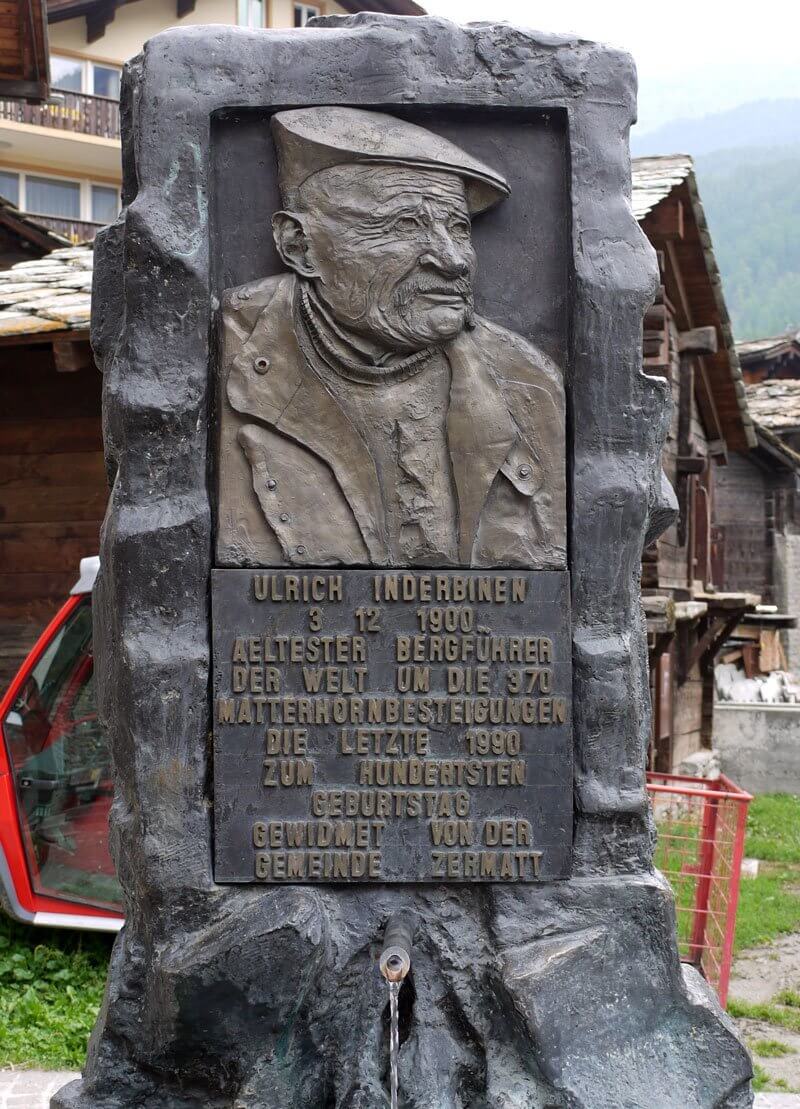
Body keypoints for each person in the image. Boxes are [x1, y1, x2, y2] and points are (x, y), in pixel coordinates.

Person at [219, 106, 565, 569]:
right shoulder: (217, 355)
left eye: (458, 228)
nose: (453, 260)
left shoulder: (528, 383)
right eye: (405, 225)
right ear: (299, 246)